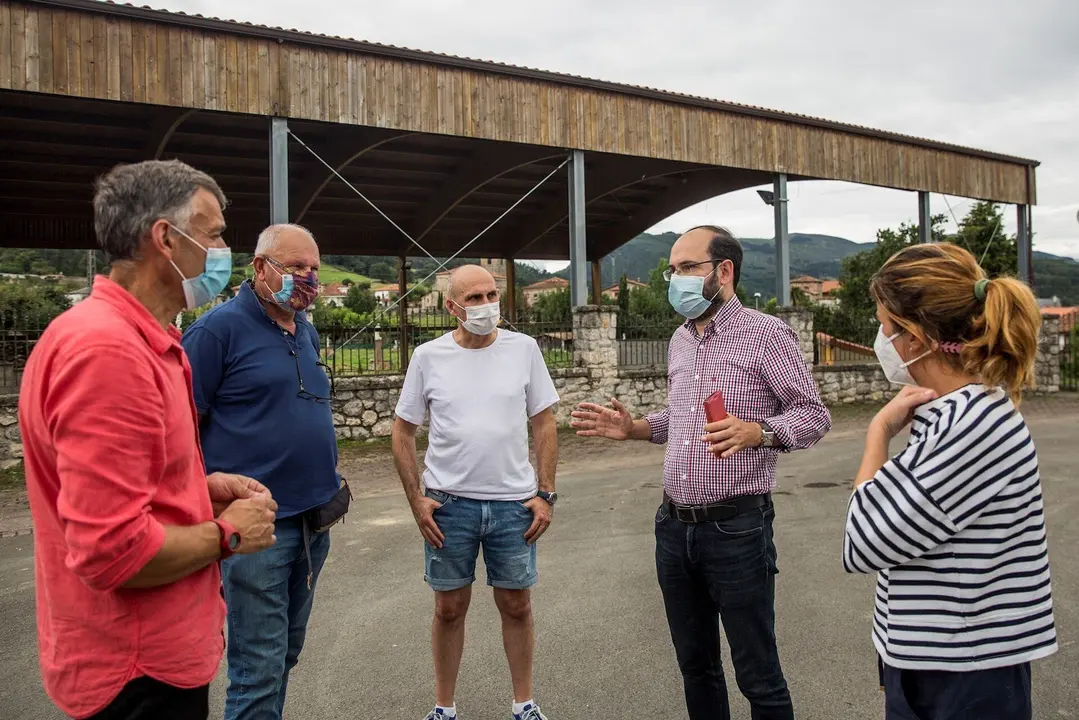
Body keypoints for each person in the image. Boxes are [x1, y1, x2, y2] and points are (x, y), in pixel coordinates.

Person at [18, 159, 278, 720]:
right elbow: (113, 553)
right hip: (138, 670)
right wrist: (229, 534)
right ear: (165, 237)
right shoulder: (108, 352)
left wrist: (194, 490)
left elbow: (123, 487)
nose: (220, 250)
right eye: (211, 234)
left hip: (148, 657)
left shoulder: (136, 337)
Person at [571, 226, 831, 720]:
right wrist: (634, 428)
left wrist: (760, 432)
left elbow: (813, 415)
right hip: (674, 527)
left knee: (758, 673)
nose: (677, 279)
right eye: (674, 270)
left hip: (737, 529)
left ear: (724, 271)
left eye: (688, 268)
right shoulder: (680, 339)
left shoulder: (766, 333)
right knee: (696, 666)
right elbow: (681, 419)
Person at [842, 243, 1057, 720]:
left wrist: (877, 434)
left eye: (884, 325)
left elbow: (863, 542)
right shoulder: (951, 413)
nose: (880, 337)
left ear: (915, 338)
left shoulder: (971, 425)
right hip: (939, 658)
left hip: (964, 671)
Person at [181, 224, 343, 720]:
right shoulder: (216, 332)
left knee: (286, 654)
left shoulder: (306, 327)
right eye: (296, 267)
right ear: (260, 268)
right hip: (255, 532)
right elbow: (181, 432)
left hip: (313, 524)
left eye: (314, 268)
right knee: (257, 668)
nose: (308, 278)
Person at [392, 264, 560, 720]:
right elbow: (402, 430)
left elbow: (544, 421)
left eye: (492, 295)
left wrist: (546, 494)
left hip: (513, 504)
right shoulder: (428, 357)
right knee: (449, 607)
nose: (488, 306)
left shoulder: (523, 349)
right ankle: (444, 708)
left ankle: (523, 704)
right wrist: (416, 499)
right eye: (475, 299)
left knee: (517, 604)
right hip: (449, 505)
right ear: (453, 307)